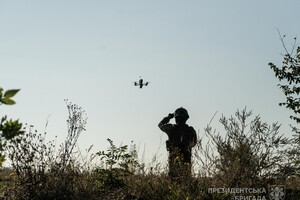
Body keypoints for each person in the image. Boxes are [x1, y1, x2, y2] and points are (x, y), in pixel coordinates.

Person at [158, 107, 197, 180]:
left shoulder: (170, 128)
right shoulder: (190, 130)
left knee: (173, 178)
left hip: (174, 156)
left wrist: (169, 117)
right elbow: (194, 142)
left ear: (176, 118)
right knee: (186, 178)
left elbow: (160, 125)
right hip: (186, 157)